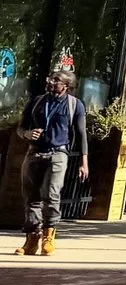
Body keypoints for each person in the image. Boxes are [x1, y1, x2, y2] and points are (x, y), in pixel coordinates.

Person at [18, 66, 87, 257]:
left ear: (67, 85)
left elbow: (81, 134)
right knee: (31, 197)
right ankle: (31, 239)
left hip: (58, 154)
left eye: (56, 80)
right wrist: (27, 134)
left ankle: (49, 236)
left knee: (51, 193)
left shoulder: (75, 105)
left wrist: (84, 162)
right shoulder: (37, 101)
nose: (51, 82)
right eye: (51, 78)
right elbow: (21, 128)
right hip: (34, 152)